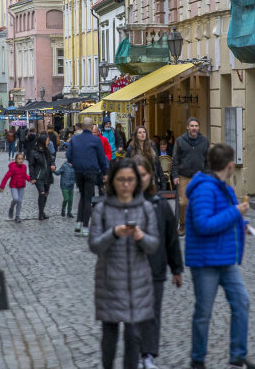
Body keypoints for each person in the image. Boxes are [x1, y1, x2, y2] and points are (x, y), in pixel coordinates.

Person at [185, 144, 255, 369]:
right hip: (205, 261)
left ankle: (237, 357)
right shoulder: (205, 189)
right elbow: (203, 224)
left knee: (241, 302)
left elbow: (223, 216)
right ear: (229, 166)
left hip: (225, 260)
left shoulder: (223, 187)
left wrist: (243, 224)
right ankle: (197, 360)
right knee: (204, 312)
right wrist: (236, 212)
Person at [88, 158, 159, 369]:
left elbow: (154, 244)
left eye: (129, 180)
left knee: (133, 337)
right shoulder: (102, 208)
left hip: (138, 283)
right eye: (121, 180)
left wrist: (140, 237)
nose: (125, 184)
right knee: (109, 337)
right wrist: (114, 233)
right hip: (109, 282)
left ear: (136, 182)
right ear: (113, 181)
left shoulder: (146, 208)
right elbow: (94, 245)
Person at [135, 155, 183, 369]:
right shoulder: (122, 204)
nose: (139, 179)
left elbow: (171, 239)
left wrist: (176, 269)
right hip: (129, 269)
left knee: (153, 312)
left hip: (155, 267)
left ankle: (148, 354)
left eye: (143, 174)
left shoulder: (160, 204)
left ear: (150, 176)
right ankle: (134, 349)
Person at [67, 118, 110, 237]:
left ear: (81, 126)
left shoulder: (75, 139)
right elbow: (102, 157)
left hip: (79, 171)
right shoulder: (96, 140)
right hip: (91, 171)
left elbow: (68, 155)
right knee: (88, 198)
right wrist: (105, 172)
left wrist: (74, 162)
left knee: (83, 195)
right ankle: (85, 226)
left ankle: (78, 223)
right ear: (91, 127)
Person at [172, 118, 210, 236]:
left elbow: (208, 160)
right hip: (184, 176)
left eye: (196, 126)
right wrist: (175, 175)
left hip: (199, 176)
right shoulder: (180, 141)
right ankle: (182, 224)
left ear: (199, 128)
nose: (194, 128)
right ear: (187, 127)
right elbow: (175, 160)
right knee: (183, 202)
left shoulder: (204, 141)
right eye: (192, 126)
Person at [128, 125, 166, 190]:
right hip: (137, 179)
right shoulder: (131, 148)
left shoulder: (152, 145)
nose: (142, 134)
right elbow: (127, 166)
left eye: (144, 132)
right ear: (136, 135)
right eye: (140, 132)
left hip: (151, 178)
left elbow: (158, 164)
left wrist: (163, 183)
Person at [29, 133, 55, 221]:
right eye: (47, 140)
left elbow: (52, 159)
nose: (48, 141)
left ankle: (42, 211)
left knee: (46, 194)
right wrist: (32, 177)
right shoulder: (34, 152)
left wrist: (53, 165)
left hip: (47, 176)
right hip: (39, 176)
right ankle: (40, 214)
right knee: (42, 193)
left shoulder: (47, 151)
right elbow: (31, 165)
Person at [1, 152, 31, 223]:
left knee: (20, 201)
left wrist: (31, 179)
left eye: (22, 159)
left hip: (21, 186)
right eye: (19, 159)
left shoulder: (24, 167)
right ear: (15, 159)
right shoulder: (13, 167)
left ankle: (17, 216)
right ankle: (11, 208)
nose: (20, 160)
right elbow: (6, 177)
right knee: (15, 198)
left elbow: (25, 175)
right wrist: (2, 186)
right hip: (14, 186)